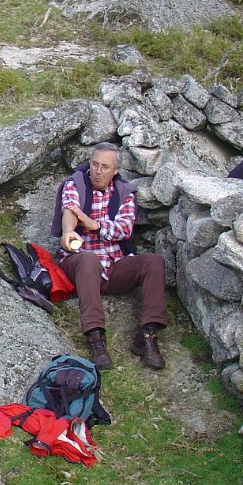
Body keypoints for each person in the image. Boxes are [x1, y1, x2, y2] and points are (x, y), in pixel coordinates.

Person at [52, 143, 167, 371]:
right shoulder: (75, 183)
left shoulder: (124, 192)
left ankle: (147, 335)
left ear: (115, 171)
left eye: (105, 167)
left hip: (115, 264)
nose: (98, 171)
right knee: (88, 259)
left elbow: (125, 229)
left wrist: (94, 225)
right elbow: (70, 210)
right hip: (82, 263)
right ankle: (96, 338)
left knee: (154, 262)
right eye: (94, 164)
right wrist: (68, 231)